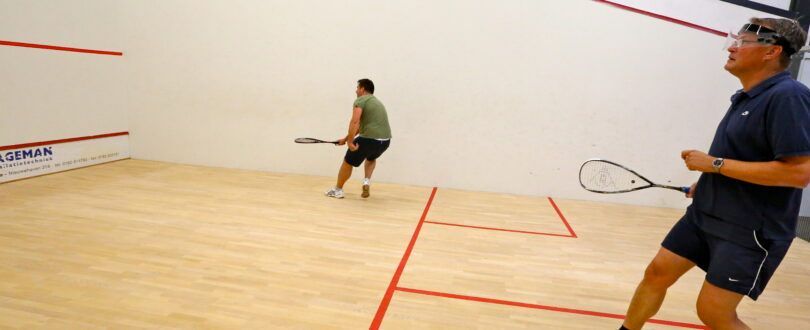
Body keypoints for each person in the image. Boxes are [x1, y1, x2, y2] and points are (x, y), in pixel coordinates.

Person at [621, 18, 810, 330]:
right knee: (657, 273)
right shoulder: (746, 96)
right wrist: (710, 181)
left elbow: (798, 173)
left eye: (743, 42)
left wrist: (714, 165)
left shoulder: (788, 97)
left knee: (713, 312)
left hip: (749, 229)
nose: (732, 48)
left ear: (771, 51)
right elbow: (747, 156)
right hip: (706, 214)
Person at [325, 79, 392, 199]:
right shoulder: (377, 102)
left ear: (362, 89)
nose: (356, 91)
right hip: (385, 141)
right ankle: (366, 182)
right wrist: (346, 139)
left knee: (348, 162)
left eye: (357, 88)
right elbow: (362, 127)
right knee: (371, 158)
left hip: (369, 140)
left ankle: (338, 190)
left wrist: (350, 142)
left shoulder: (361, 100)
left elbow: (355, 121)